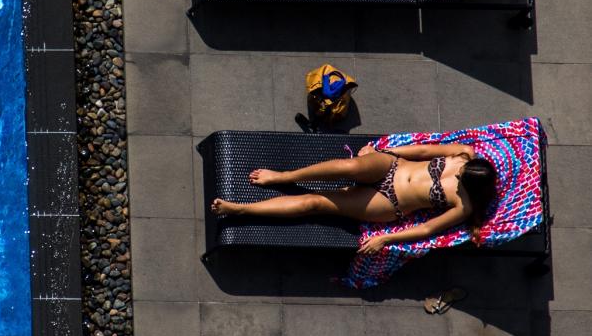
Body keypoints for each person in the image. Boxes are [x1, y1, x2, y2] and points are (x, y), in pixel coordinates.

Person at [209, 143, 497, 255]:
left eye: (462, 180)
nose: (457, 177)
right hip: (393, 166)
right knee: (348, 167)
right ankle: (284, 176)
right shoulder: (464, 154)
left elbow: (427, 229)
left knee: (316, 204)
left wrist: (386, 239)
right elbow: (423, 152)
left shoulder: (464, 205)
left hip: (390, 203)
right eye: (460, 173)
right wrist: (387, 150)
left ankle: (240, 208)